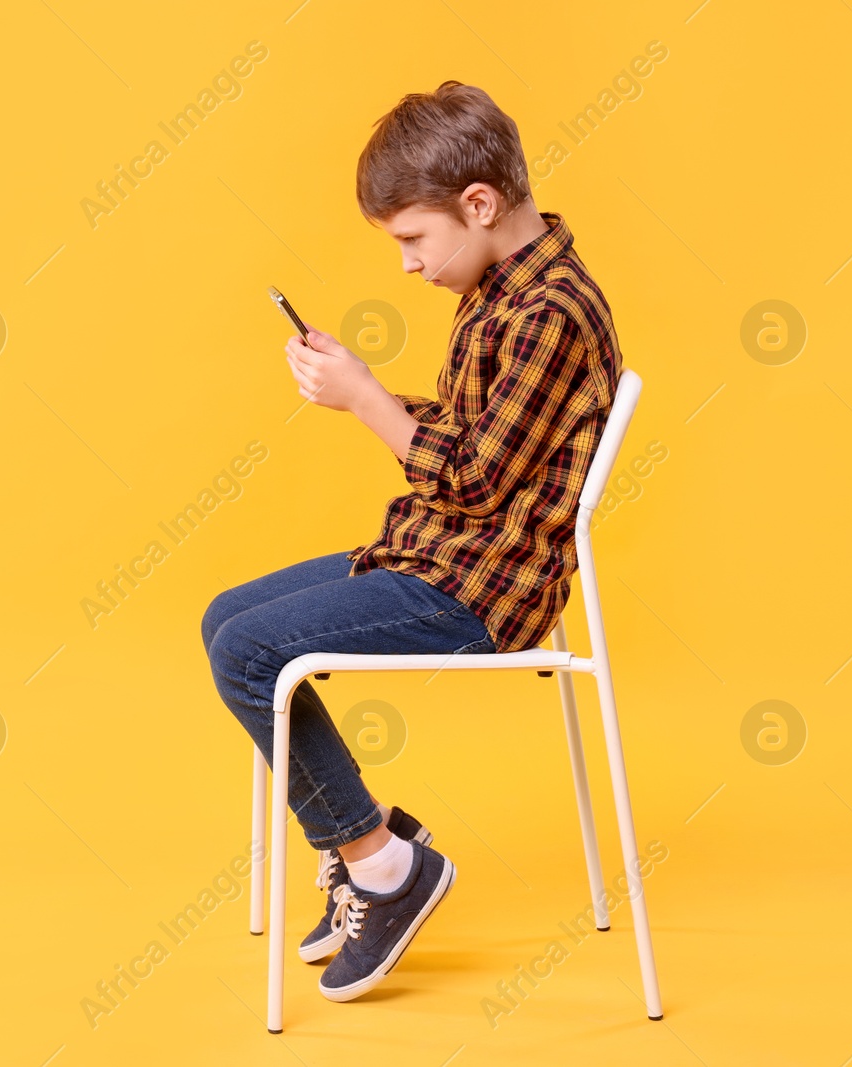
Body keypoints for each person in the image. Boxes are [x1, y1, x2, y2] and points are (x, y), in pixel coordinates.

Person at [201, 80, 623, 1003]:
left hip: (483, 587)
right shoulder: (505, 287)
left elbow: (472, 480)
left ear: (478, 206)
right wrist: (366, 386)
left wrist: (366, 403)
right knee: (227, 617)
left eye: (411, 239)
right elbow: (483, 443)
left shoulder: (546, 311)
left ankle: (384, 865)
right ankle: (370, 839)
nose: (406, 265)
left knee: (248, 650)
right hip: (442, 551)